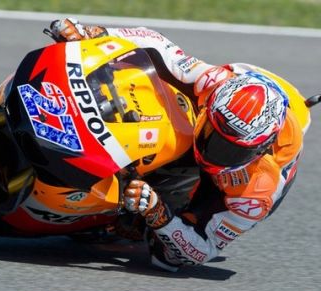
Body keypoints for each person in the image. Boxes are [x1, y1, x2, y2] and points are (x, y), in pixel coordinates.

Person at [47, 18, 310, 271]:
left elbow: (202, 250)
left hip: (232, 185)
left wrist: (158, 213)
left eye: (231, 149)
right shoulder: (216, 82)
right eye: (212, 133)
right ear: (211, 108)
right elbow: (158, 44)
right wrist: (95, 33)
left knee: (168, 258)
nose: (213, 150)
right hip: (240, 90)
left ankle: (124, 222)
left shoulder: (256, 192)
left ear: (258, 149)